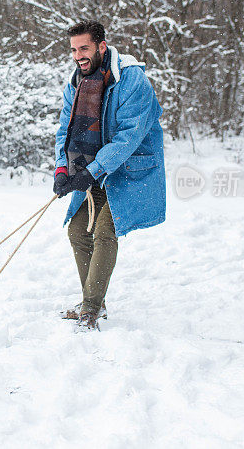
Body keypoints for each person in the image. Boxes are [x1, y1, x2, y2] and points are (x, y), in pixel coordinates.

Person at [53, 20, 166, 331]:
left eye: (84, 48)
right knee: (77, 231)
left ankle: (89, 308)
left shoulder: (132, 81)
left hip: (129, 170)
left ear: (101, 47)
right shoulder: (75, 84)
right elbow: (64, 132)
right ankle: (96, 301)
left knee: (105, 232)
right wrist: (63, 168)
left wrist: (92, 170)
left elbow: (129, 137)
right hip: (93, 169)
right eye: (74, 50)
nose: (78, 55)